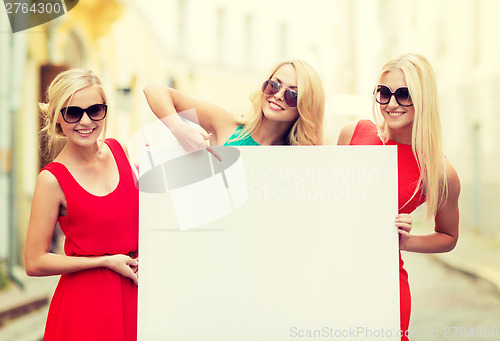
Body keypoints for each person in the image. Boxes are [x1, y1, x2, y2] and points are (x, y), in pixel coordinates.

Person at [337, 53, 460, 340]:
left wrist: (407, 241)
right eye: (385, 93)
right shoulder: (353, 133)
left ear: (423, 98)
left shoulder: (438, 170)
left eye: (404, 95)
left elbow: (449, 237)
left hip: (384, 284)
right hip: (335, 272)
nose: (392, 104)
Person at [25, 69, 139, 341]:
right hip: (85, 306)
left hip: (138, 294)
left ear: (105, 111)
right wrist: (105, 262)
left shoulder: (120, 151)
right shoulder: (52, 179)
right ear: (57, 118)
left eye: (95, 110)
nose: (85, 121)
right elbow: (34, 262)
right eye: (72, 112)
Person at [143, 59, 324, 155]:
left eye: (292, 94)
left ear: (305, 107)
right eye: (274, 85)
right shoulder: (227, 124)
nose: (277, 95)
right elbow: (154, 91)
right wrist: (179, 128)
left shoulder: (300, 158)